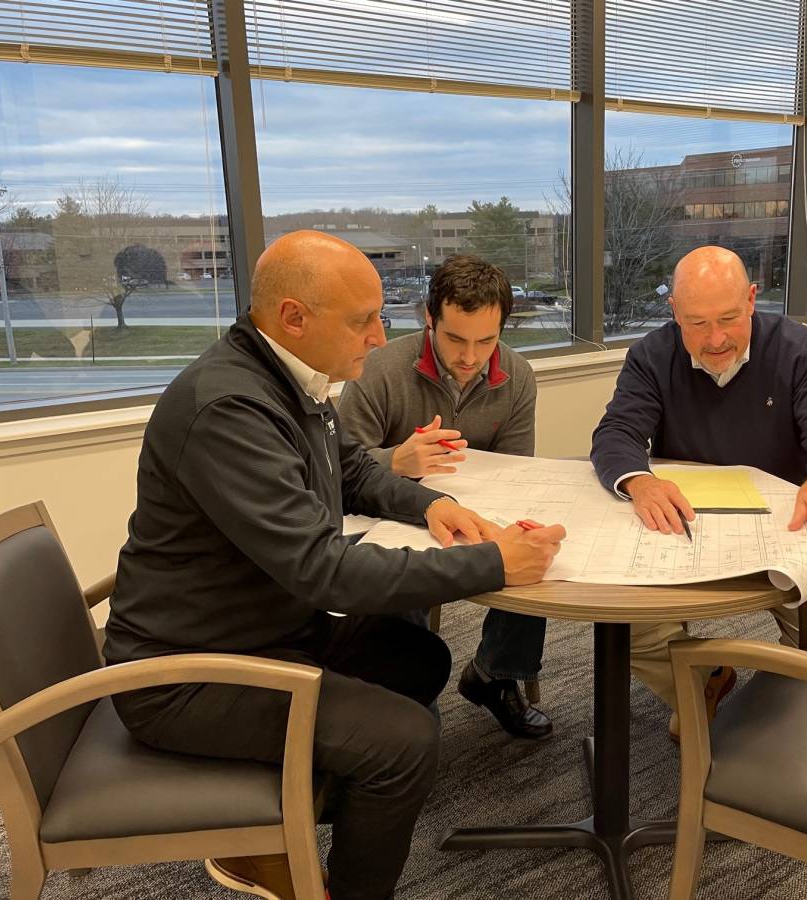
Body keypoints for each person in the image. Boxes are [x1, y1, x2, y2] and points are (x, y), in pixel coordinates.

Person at [103, 231, 565, 900]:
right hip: (187, 675)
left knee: (419, 658)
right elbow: (324, 572)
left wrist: (433, 508)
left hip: (261, 629)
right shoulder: (229, 407)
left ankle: (274, 832)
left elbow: (350, 469)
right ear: (295, 317)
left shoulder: (290, 377)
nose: (379, 336)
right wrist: (493, 565)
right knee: (405, 744)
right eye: (362, 320)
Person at [590, 245, 807, 741]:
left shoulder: (798, 349)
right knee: (625, 632)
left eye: (728, 317)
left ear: (751, 299)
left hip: (785, 531)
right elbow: (616, 435)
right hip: (687, 530)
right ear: (674, 312)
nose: (715, 338)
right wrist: (640, 479)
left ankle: (790, 733)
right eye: (696, 323)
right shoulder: (651, 356)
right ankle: (703, 685)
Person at [338, 254, 551, 740]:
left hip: (474, 510)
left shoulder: (517, 375)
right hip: (386, 514)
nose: (470, 357)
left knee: (532, 550)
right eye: (455, 339)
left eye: (487, 340)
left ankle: (496, 675)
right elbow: (336, 467)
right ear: (429, 319)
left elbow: (517, 470)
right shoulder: (380, 368)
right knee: (396, 572)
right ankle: (410, 700)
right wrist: (397, 462)